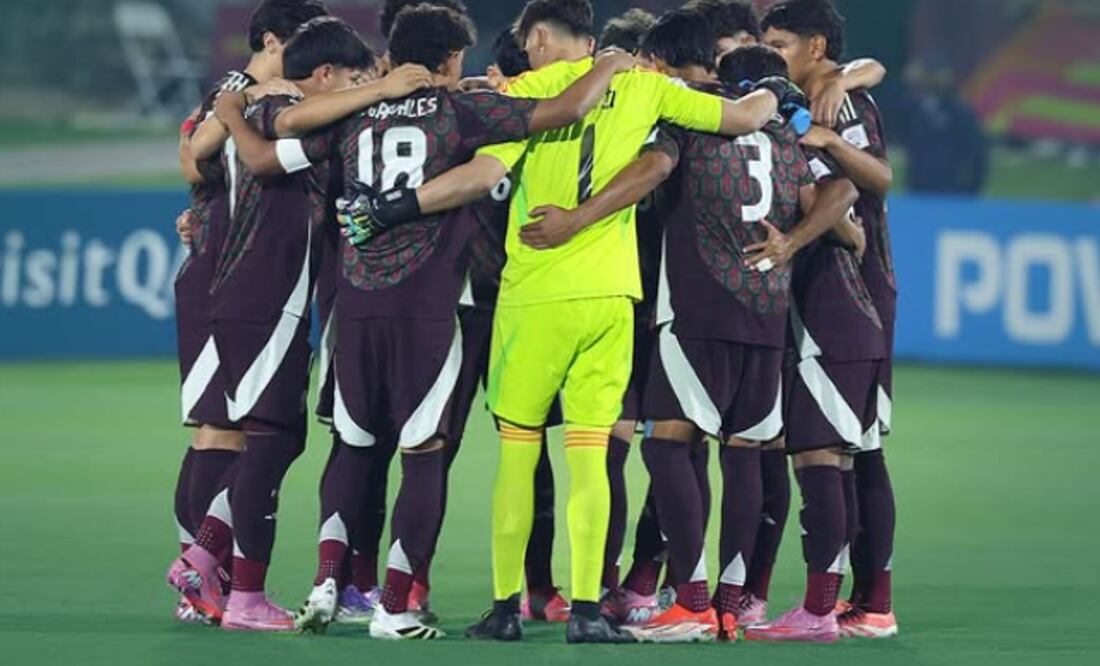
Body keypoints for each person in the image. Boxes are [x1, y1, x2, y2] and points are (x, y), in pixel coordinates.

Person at [342, 0, 805, 644]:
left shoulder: (525, 93)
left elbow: (481, 176)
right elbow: (746, 115)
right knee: (592, 457)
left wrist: (395, 209)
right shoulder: (648, 87)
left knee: (518, 455)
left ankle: (506, 608)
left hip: (532, 295)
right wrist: (779, 88)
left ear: (537, 38)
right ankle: (588, 609)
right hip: (610, 297)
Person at [285, 3, 637, 639]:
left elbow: (288, 121)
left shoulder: (358, 108)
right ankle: (396, 604)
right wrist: (608, 62)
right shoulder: (460, 110)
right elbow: (566, 109)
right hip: (426, 309)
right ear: (450, 61)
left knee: (354, 447)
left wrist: (378, 88)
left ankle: (328, 579)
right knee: (425, 453)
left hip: (355, 305)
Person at [167, 16, 416, 632]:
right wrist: (380, 92)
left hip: (242, 291)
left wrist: (226, 108)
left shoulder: (248, 106)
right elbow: (265, 147)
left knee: (267, 436)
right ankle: (230, 583)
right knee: (267, 437)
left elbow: (198, 152)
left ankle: (206, 561)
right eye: (354, 77)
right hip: (266, 295)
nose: (363, 85)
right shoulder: (289, 114)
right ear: (325, 75)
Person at [166, 0, 329, 625]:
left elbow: (195, 161)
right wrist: (237, 108)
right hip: (226, 274)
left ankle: (205, 576)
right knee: (228, 431)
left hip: (223, 264)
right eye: (304, 46)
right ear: (271, 40)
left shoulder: (255, 101)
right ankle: (204, 575)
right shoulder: (240, 94)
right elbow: (189, 158)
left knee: (225, 429)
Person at [744, 0, 897, 642]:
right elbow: (870, 65)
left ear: (814, 48)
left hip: (846, 291)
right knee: (852, 449)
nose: (769, 52)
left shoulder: (838, 106)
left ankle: (834, 605)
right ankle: (863, 604)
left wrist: (830, 133)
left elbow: (873, 184)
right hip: (830, 291)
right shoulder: (811, 94)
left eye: (779, 43)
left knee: (835, 450)